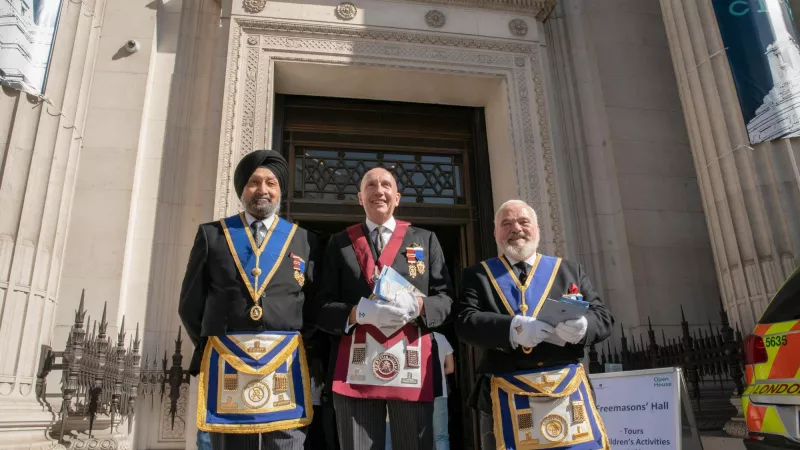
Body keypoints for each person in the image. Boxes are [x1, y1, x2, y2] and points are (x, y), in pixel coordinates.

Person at [179, 150, 320, 450]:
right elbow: (190, 304)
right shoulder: (213, 234)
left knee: (287, 444)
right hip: (229, 362)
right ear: (242, 189)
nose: (263, 190)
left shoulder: (304, 240)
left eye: (271, 182)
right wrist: (213, 348)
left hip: (285, 364)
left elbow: (314, 304)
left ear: (280, 190)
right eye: (254, 182)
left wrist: (299, 346)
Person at [314, 167, 455, 450]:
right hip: (355, 366)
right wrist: (357, 313)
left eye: (386, 185)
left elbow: (447, 300)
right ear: (360, 197)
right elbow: (320, 307)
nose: (379, 191)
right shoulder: (339, 243)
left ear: (397, 197)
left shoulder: (425, 240)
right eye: (371, 186)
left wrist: (418, 305)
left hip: (411, 363)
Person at [456, 200, 614, 450]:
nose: (515, 228)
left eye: (523, 222)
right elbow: (465, 322)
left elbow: (603, 318)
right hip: (504, 392)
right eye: (506, 224)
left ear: (537, 229)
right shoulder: (478, 275)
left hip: (565, 390)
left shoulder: (569, 271)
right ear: (496, 233)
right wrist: (513, 329)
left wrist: (583, 327)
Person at [431, 332, 454, 450]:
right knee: (441, 436)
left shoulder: (412, 336)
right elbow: (450, 368)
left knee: (422, 435)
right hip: (440, 392)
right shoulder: (441, 337)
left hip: (418, 394)